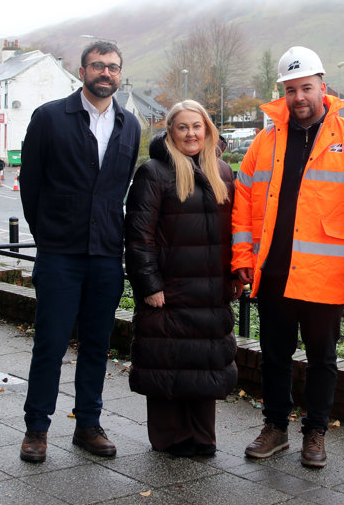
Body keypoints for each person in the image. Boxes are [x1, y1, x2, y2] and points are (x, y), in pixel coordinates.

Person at [232, 45, 344, 468]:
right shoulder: (265, 140)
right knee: (274, 355)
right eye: (290, 89)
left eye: (306, 88)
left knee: (322, 360)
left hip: (326, 273)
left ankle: (315, 432)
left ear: (322, 87)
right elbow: (243, 200)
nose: (299, 98)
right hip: (273, 270)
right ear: (282, 92)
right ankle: (275, 427)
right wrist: (242, 254)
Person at [16, 40, 142, 463]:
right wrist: (49, 235)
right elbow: (30, 186)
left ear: (120, 74)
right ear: (82, 70)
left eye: (113, 67)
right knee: (50, 344)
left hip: (106, 254)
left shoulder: (129, 125)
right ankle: (36, 429)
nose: (106, 73)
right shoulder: (50, 118)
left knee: (96, 344)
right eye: (98, 66)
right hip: (60, 255)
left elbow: (120, 187)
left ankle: (88, 424)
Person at [124, 101, 239, 457]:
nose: (191, 133)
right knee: (167, 360)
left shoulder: (222, 171)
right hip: (170, 289)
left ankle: (202, 438)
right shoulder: (154, 172)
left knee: (204, 364)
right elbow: (138, 235)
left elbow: (236, 230)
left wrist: (235, 274)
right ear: (170, 132)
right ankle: (171, 439)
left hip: (210, 289)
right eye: (183, 127)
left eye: (197, 126)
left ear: (207, 130)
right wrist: (149, 285)